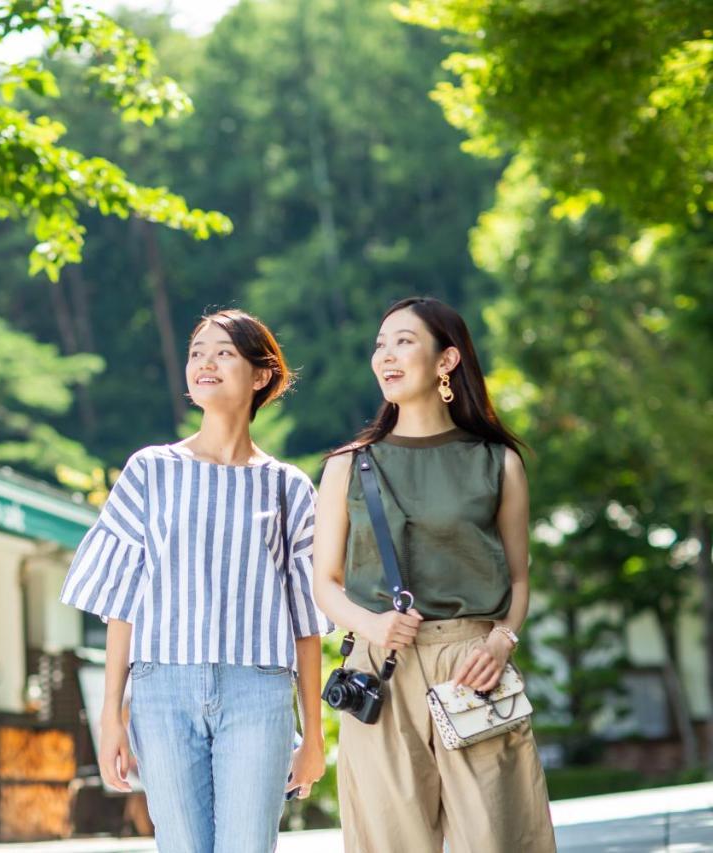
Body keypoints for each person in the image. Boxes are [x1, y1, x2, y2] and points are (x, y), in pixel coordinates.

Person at [60, 309, 331, 852]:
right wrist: (111, 718)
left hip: (260, 690)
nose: (204, 363)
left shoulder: (289, 488)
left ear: (260, 375)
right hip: (163, 690)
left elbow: (306, 621)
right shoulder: (149, 471)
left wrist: (315, 734)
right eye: (196, 352)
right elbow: (122, 603)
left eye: (224, 352)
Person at [312, 297, 556, 852]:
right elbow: (323, 582)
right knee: (390, 840)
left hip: (474, 667)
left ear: (446, 361)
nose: (386, 355)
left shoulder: (498, 462)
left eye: (403, 341)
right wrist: (370, 626)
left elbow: (519, 577)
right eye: (380, 344)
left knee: (498, 838)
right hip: (380, 669)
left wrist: (502, 641)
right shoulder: (349, 465)